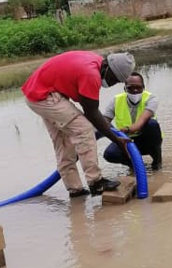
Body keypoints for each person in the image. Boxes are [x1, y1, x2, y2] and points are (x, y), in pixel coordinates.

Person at [22, 50, 135, 197]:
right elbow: (92, 113)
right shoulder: (91, 74)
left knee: (64, 141)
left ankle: (75, 190)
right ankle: (96, 182)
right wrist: (117, 139)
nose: (112, 84)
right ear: (108, 68)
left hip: (37, 95)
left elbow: (93, 111)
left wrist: (112, 133)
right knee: (84, 129)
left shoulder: (96, 61)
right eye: (113, 79)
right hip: (45, 96)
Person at [103, 72, 163, 170]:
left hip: (147, 141)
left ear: (143, 87)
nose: (135, 90)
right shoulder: (116, 100)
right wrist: (115, 136)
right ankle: (135, 166)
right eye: (131, 87)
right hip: (126, 140)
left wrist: (126, 129)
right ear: (125, 88)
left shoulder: (151, 98)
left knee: (152, 124)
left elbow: (140, 124)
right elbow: (104, 121)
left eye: (138, 87)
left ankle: (157, 162)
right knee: (110, 154)